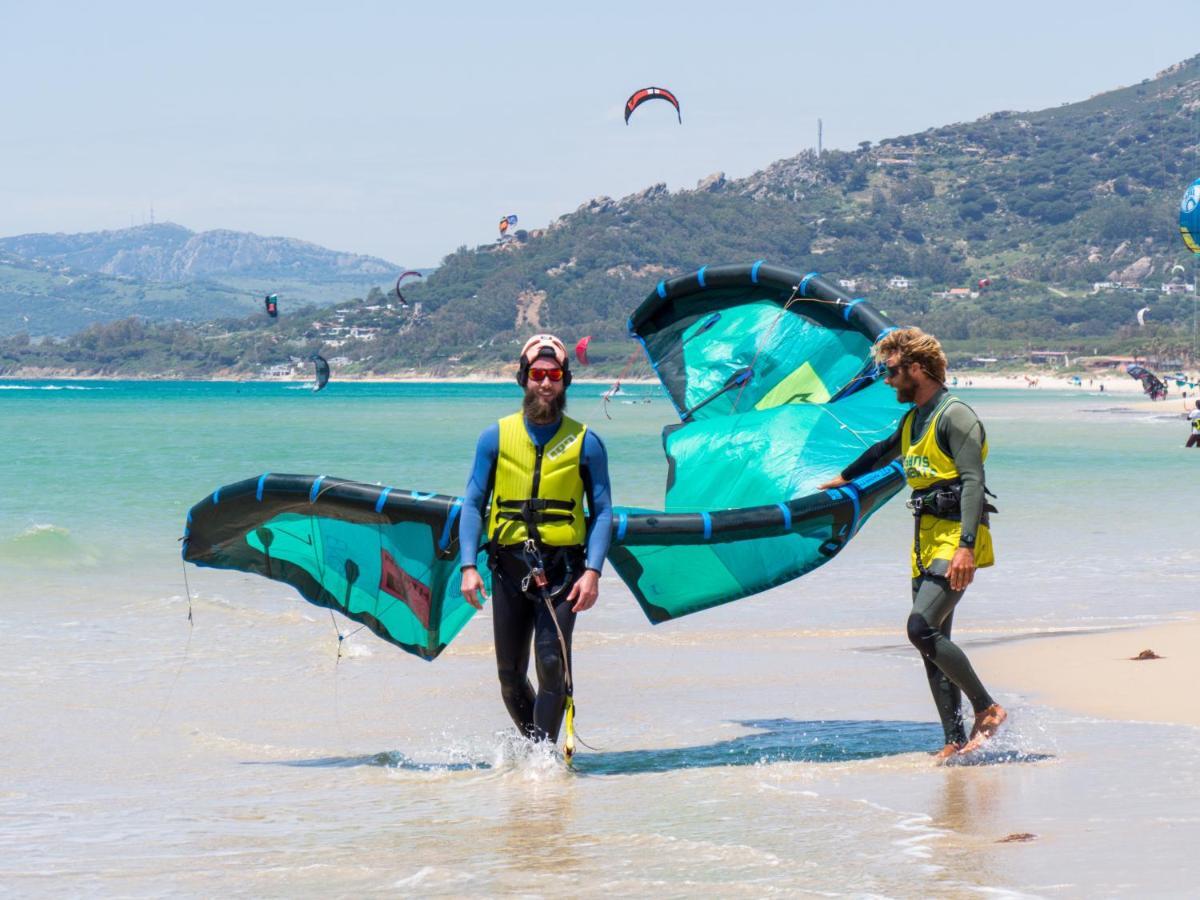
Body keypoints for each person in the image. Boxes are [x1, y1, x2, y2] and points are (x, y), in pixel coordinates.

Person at [819, 327, 1007, 760]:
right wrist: (843, 480)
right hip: (924, 542)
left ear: (917, 370)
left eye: (892, 373)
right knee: (932, 643)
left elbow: (974, 481)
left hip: (958, 538)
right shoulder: (913, 420)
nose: (887, 382)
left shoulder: (955, 415)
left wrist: (964, 547)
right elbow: (881, 452)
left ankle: (988, 707)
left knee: (919, 628)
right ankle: (954, 741)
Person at [459, 334, 613, 753]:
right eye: (538, 375)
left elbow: (602, 512)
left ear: (565, 381)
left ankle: (542, 763)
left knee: (551, 665)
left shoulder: (587, 442)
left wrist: (594, 572)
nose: (546, 383)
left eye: (555, 375)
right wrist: (468, 566)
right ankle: (537, 752)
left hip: (564, 573)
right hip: (509, 570)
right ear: (524, 379)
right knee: (510, 676)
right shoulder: (495, 437)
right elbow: (473, 503)